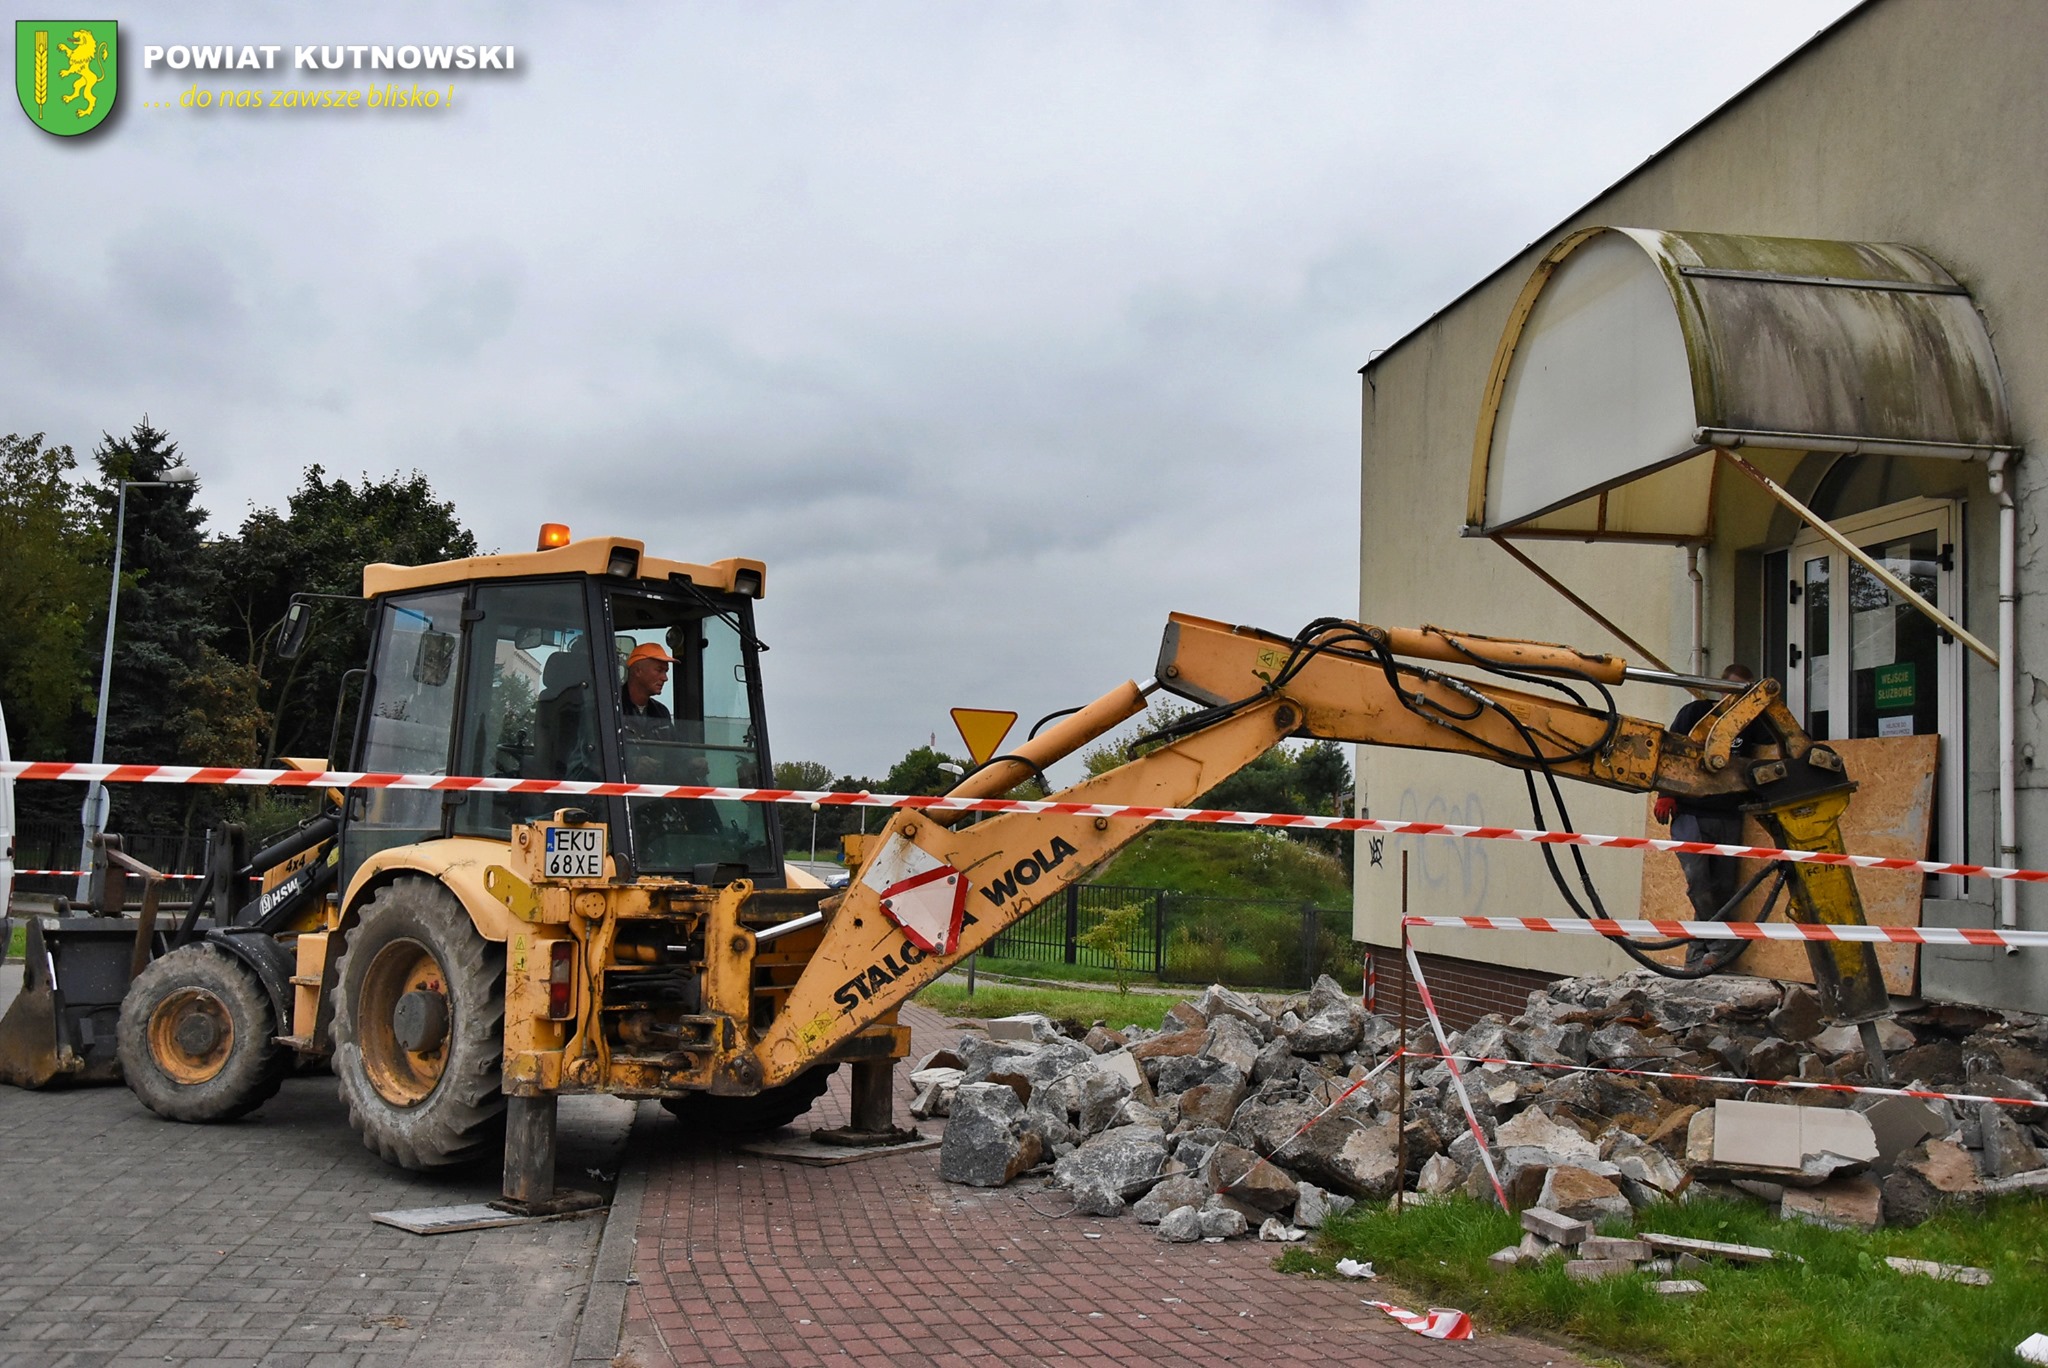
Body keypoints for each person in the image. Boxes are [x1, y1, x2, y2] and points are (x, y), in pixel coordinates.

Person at [1654, 664, 1767, 948]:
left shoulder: (1751, 723)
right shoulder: (1695, 714)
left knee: (1725, 886)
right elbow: (1670, 752)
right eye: (1733, 689)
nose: (1737, 697)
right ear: (1720, 688)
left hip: (1729, 813)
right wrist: (1665, 793)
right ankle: (1718, 944)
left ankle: (1700, 950)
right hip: (1690, 811)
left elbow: (1788, 738)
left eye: (1745, 691)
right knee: (1699, 880)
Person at [619, 642, 676, 739]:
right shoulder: (610, 708)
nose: (665, 678)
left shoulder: (661, 712)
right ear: (638, 671)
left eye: (665, 672)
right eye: (659, 670)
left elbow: (673, 751)